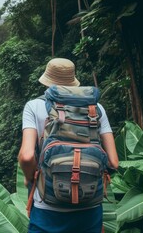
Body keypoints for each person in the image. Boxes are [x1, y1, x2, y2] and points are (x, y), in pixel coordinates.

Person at [18, 58, 119, 233]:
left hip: (47, 207)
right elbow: (114, 163)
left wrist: (29, 178)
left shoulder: (34, 106)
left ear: (47, 81)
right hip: (89, 208)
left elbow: (26, 156)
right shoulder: (97, 109)